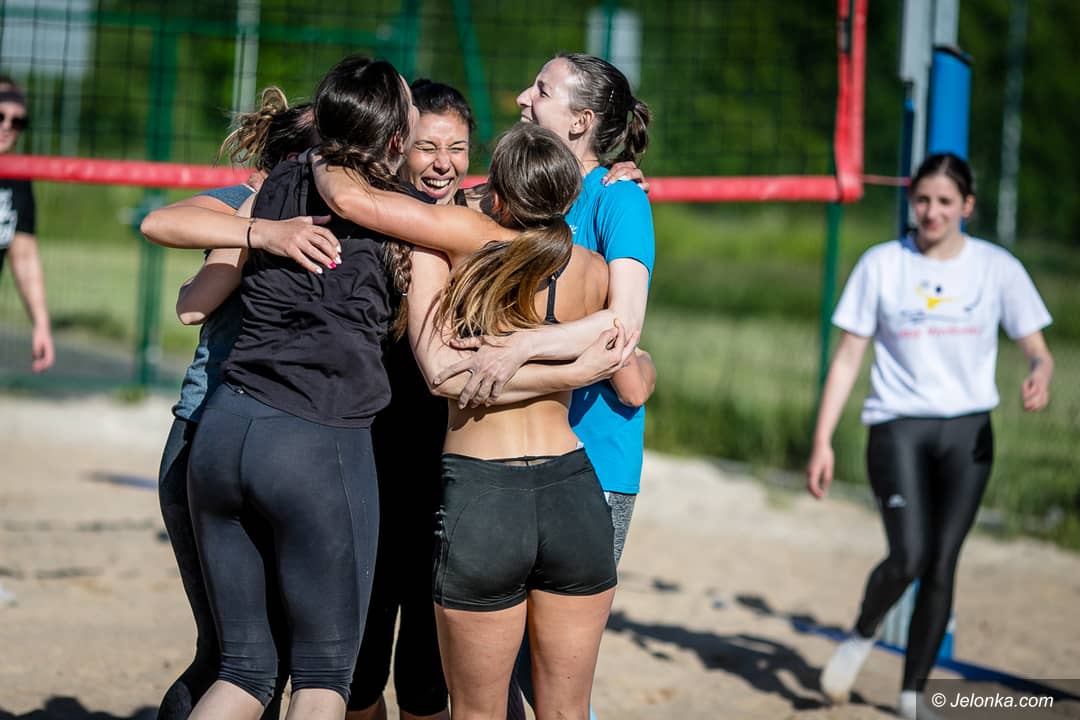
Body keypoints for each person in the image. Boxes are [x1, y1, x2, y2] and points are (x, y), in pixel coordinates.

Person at [172, 56, 447, 720]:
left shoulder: (273, 185)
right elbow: (437, 365)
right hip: (316, 444)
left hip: (224, 431)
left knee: (243, 673)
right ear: (395, 139)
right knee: (323, 680)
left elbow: (188, 283)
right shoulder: (409, 219)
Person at [806, 153, 1054, 720]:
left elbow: (1037, 348)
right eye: (922, 200)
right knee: (909, 556)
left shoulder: (997, 267)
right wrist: (822, 441)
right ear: (910, 202)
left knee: (942, 563)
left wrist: (1039, 372)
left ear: (967, 205)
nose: (932, 211)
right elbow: (847, 359)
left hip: (969, 433)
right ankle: (862, 633)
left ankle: (913, 695)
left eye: (945, 201)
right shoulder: (882, 264)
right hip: (898, 427)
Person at [408, 122, 626, 720]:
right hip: (572, 491)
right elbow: (631, 375)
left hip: (484, 493)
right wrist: (577, 368)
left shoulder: (453, 248)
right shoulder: (596, 270)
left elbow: (440, 376)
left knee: (478, 712)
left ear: (496, 195)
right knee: (568, 712)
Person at [144, 87, 328, 720]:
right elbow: (182, 281)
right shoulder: (245, 203)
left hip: (291, 444)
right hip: (209, 435)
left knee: (264, 660)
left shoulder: (351, 214)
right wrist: (255, 228)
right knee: (237, 660)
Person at [347, 79, 475, 720]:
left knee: (427, 678)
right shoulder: (367, 214)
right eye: (428, 147)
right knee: (359, 674)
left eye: (457, 148)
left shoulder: (486, 221)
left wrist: (618, 174)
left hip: (450, 477)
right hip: (369, 469)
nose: (443, 163)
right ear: (398, 145)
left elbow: (558, 185)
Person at [0, 75, 54, 373]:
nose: (7, 126)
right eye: (0, 115)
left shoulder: (17, 177)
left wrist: (41, 324)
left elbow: (23, 255)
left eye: (18, 121)